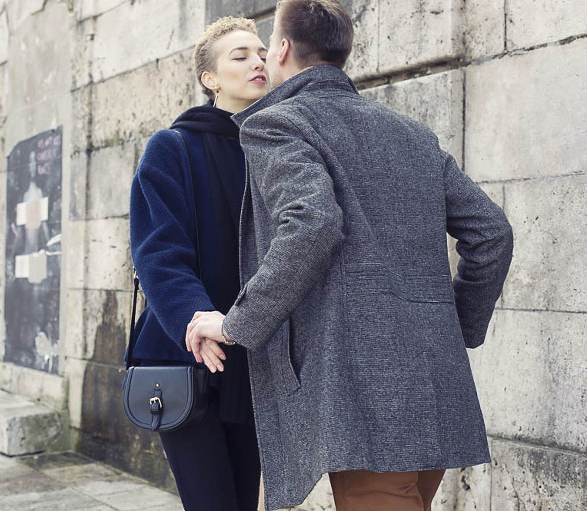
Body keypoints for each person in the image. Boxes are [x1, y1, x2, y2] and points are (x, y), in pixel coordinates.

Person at [185, 1, 514, 510]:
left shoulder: (278, 124)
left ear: (283, 50)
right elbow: (491, 234)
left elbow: (311, 225)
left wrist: (234, 324)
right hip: (433, 378)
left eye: (267, 46)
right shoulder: (412, 134)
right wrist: (457, 327)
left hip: (367, 395)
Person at [128, 16, 270, 511]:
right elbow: (158, 254)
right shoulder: (172, 148)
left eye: (261, 52)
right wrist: (199, 321)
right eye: (240, 55)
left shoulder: (278, 149)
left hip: (252, 353)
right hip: (187, 352)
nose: (257, 61)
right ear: (209, 79)